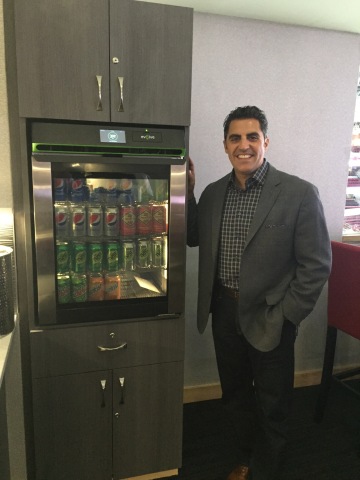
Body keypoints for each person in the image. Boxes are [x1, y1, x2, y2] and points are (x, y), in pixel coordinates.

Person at [186, 106, 332, 480]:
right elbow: (191, 237)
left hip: (271, 316)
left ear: (265, 141)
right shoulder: (215, 193)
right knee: (234, 396)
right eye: (235, 138)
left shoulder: (298, 193)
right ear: (225, 145)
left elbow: (316, 264)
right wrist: (185, 192)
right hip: (224, 312)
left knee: (273, 403)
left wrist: (288, 315)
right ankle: (246, 457)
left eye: (252, 137)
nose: (244, 145)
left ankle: (269, 470)